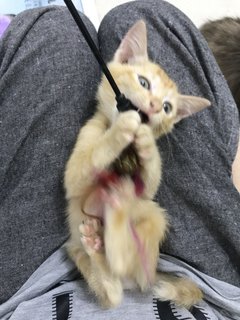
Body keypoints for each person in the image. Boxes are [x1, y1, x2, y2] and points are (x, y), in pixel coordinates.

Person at [0, 1, 239, 319]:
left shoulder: (146, 142)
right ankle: (98, 261)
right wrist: (115, 141)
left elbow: (144, 189)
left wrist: (142, 153)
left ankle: (97, 259)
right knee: (147, 19)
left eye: (166, 109)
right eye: (144, 85)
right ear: (123, 62)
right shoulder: (98, 126)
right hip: (212, 291)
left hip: (29, 288)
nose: (153, 106)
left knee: (52, 30)